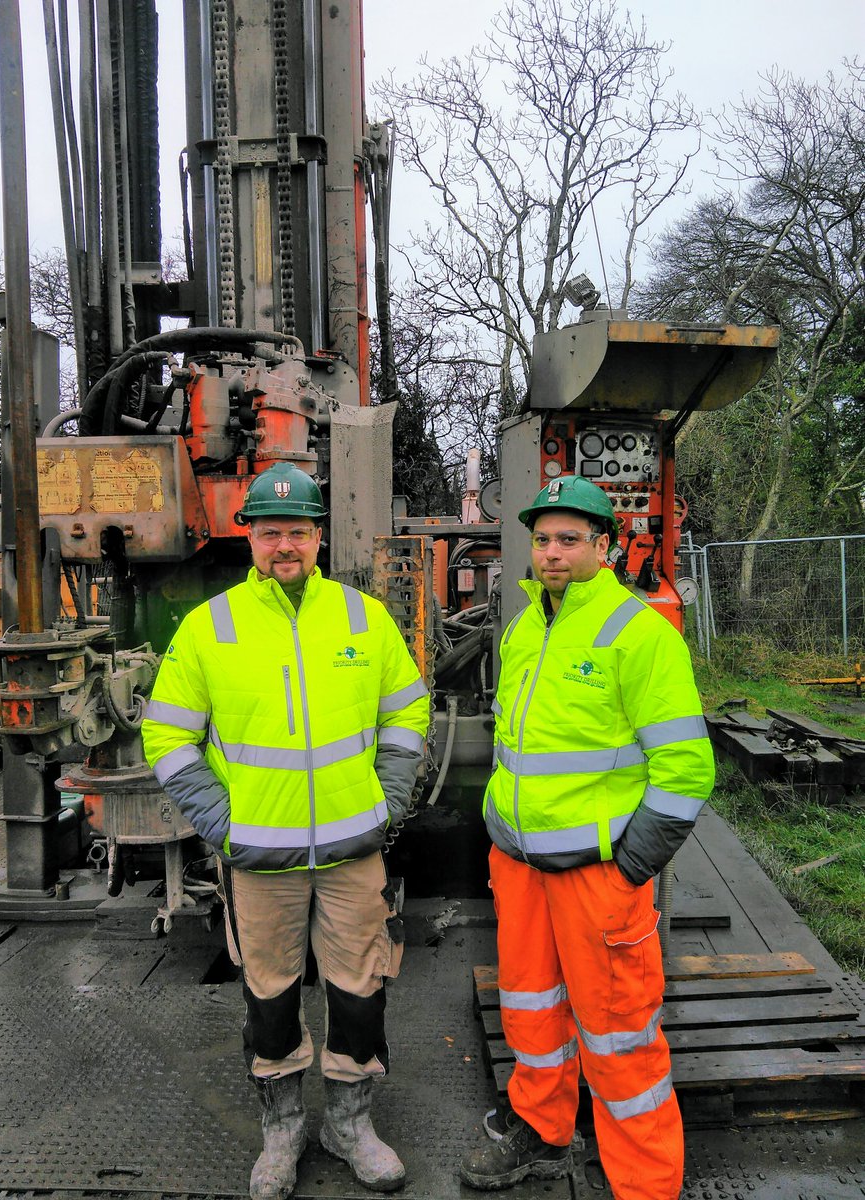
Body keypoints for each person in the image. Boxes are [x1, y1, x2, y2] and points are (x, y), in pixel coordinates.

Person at [142, 462, 430, 1200]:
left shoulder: (363, 618)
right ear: (251, 539)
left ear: (319, 537)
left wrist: (389, 798)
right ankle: (282, 1131)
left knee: (361, 989)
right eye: (270, 532)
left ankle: (350, 1124)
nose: (285, 545)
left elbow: (406, 712)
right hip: (258, 859)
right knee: (269, 996)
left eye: (298, 530)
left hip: (352, 852)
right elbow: (168, 737)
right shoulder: (212, 628)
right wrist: (219, 819)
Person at [459, 475, 715, 1200]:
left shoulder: (637, 634)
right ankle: (542, 1134)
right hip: (519, 868)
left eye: (570, 539)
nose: (552, 552)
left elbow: (686, 769)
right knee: (532, 1010)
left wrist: (631, 865)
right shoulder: (524, 629)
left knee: (619, 1039)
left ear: (604, 547)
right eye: (542, 539)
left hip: (597, 875)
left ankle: (645, 1185)